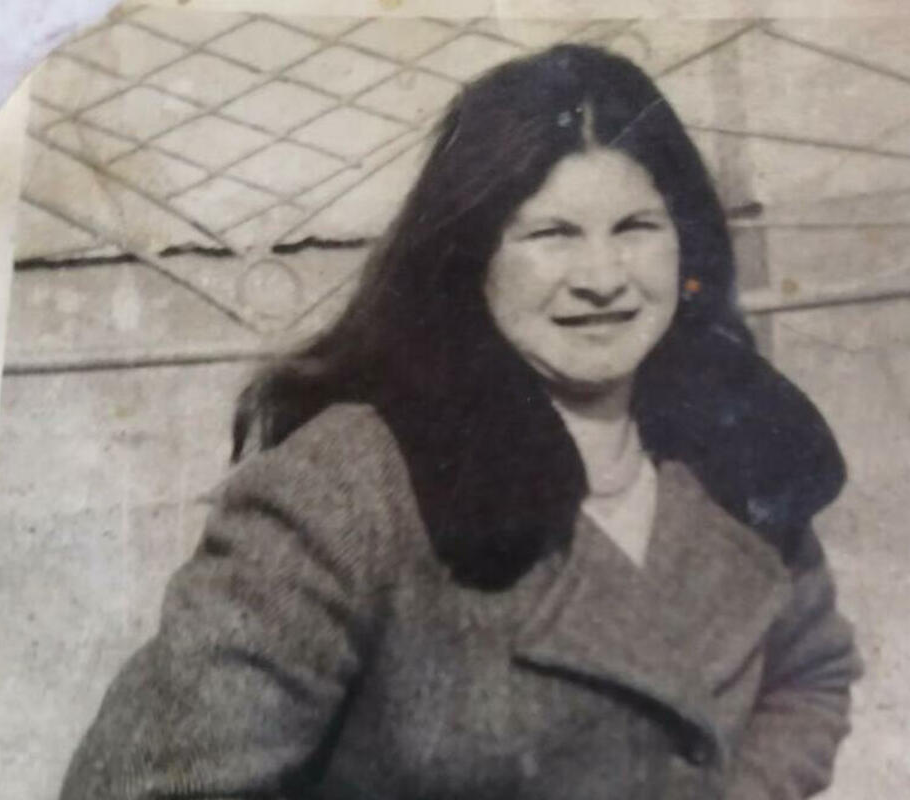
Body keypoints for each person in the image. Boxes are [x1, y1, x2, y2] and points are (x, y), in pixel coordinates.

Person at [60, 43, 861, 800]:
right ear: (473, 258)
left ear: (686, 246)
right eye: (551, 234)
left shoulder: (730, 439)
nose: (602, 277)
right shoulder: (353, 487)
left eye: (636, 228)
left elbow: (811, 677)